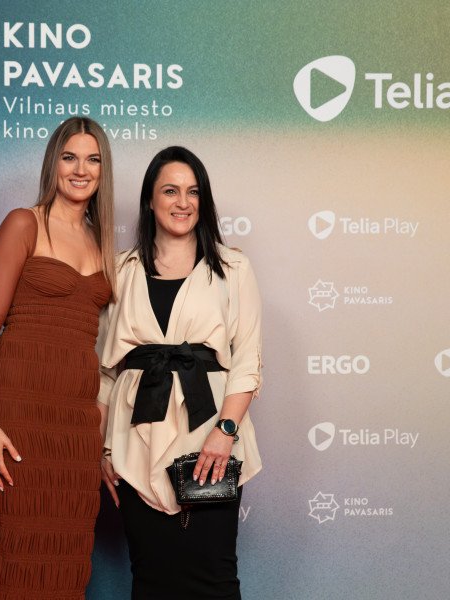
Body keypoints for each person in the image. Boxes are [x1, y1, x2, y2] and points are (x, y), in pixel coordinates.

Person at [97, 146, 261, 600]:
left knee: (215, 577)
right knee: (150, 578)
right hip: (135, 442)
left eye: (193, 192)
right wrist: (103, 449)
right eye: (170, 191)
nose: (183, 202)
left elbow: (247, 361)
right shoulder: (119, 271)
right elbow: (104, 372)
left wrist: (225, 433)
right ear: (150, 200)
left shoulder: (233, 268)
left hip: (212, 440)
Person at [0, 117, 116, 600]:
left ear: (103, 170)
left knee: (68, 566)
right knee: (19, 563)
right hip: (20, 419)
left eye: (93, 159)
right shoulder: (24, 223)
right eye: (69, 157)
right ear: (53, 163)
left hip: (77, 429)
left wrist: (100, 432)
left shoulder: (103, 243)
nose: (81, 170)